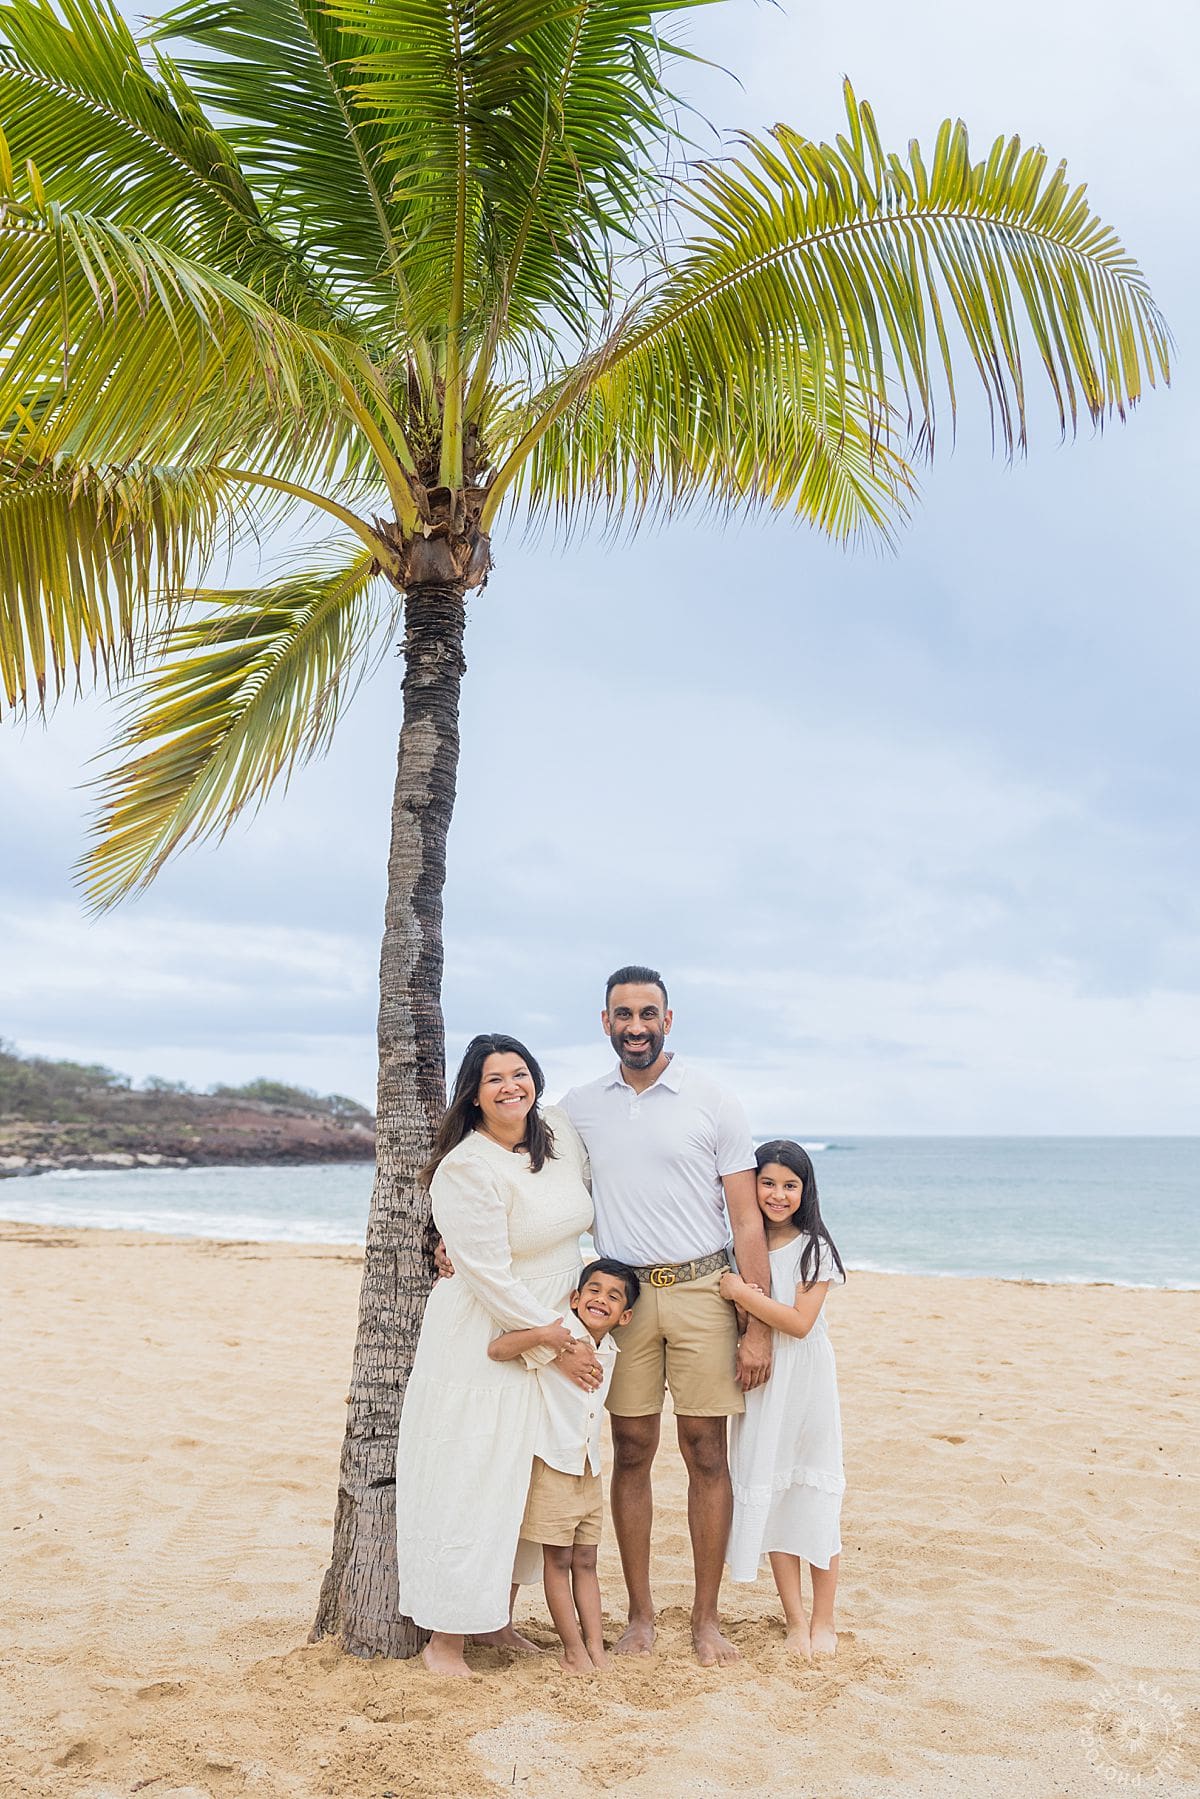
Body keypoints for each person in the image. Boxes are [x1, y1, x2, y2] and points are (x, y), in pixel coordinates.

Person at [560, 966, 774, 1666]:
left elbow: (746, 1219)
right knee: (631, 1450)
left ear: (669, 1019)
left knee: (707, 1451)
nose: (636, 1026)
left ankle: (707, 1619)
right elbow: (526, 1175)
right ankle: (641, 1615)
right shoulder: (580, 1107)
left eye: (648, 1012)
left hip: (704, 1289)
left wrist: (759, 1321)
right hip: (621, 1302)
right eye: (623, 1014)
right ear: (605, 1022)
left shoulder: (712, 1099)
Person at [394, 1033, 601, 1678]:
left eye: (520, 1073)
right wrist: (557, 1345)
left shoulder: (559, 1134)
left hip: (546, 1321)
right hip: (482, 1342)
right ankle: (445, 1642)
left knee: (524, 1482)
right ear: (473, 1094)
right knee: (472, 1482)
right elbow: (486, 1275)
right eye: (494, 1079)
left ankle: (498, 1620)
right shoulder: (466, 1167)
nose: (511, 1087)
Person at [720, 1140, 846, 1659]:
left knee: (814, 1494)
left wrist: (743, 1292)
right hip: (764, 1383)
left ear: (805, 1190)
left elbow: (798, 1323)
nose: (776, 1194)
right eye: (767, 1183)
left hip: (807, 1380)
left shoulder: (814, 1247)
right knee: (770, 1488)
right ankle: (794, 1620)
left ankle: (824, 1619)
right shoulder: (736, 1248)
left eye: (789, 1185)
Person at [488, 1258, 640, 1673]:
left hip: (589, 1470)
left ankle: (596, 1649)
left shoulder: (611, 1349)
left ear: (624, 1316)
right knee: (557, 1561)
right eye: (593, 1290)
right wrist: (546, 1339)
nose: (600, 1299)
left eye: (613, 1296)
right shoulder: (561, 1338)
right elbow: (498, 1348)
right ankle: (573, 1651)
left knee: (587, 1562)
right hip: (553, 1465)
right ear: (575, 1298)